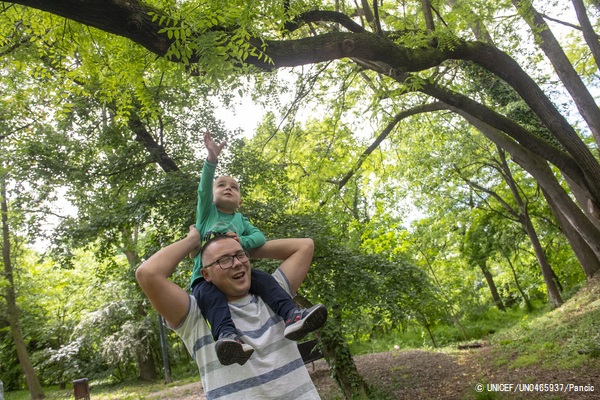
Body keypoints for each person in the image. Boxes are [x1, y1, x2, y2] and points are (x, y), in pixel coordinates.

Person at [135, 227, 322, 399]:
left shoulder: (275, 292)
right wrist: (192, 241)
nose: (237, 264)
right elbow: (148, 273)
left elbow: (305, 246)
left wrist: (244, 246)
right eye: (224, 260)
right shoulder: (195, 315)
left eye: (240, 256)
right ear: (205, 274)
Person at [190, 131, 327, 366]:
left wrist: (241, 243)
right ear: (212, 197)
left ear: (240, 200)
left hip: (239, 273)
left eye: (234, 187)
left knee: (264, 279)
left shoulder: (241, 220)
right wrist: (211, 160)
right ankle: (227, 337)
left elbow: (259, 237)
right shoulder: (206, 215)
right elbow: (202, 190)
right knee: (211, 299)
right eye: (221, 185)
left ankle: (292, 315)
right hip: (207, 280)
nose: (228, 188)